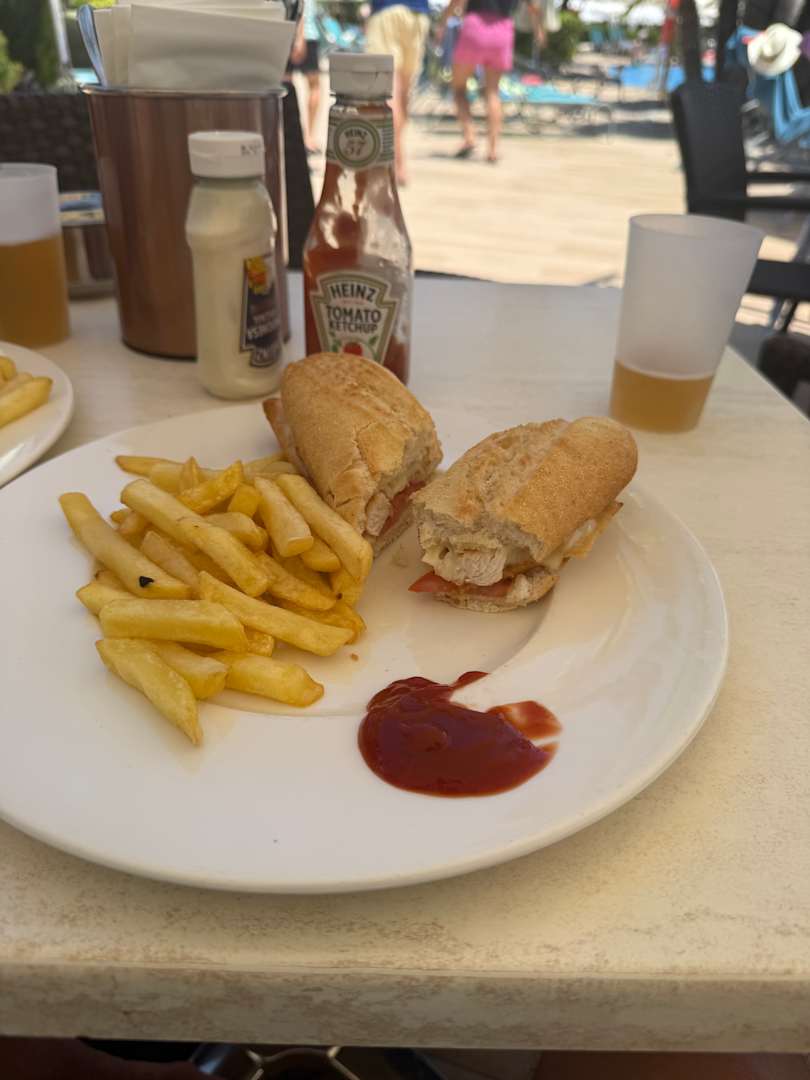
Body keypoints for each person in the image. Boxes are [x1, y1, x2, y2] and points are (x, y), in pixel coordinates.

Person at [436, 0, 544, 162]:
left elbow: (457, 1)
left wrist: (443, 22)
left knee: (458, 88)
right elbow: (534, 6)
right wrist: (539, 30)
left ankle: (470, 136)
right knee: (493, 92)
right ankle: (492, 150)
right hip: (502, 30)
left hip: (475, 27)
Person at [365, 0, 431, 185]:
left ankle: (393, 163)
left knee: (388, 91)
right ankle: (400, 163)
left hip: (387, 11)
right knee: (403, 94)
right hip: (417, 15)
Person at [289, 0, 322, 155]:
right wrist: (299, 37)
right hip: (303, 34)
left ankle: (307, 137)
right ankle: (305, 138)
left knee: (313, 86)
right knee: (288, 85)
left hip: (301, 33)